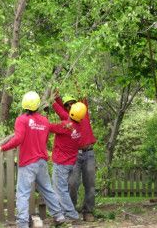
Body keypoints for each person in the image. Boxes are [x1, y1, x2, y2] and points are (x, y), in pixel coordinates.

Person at [0, 91, 65, 228]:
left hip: (27, 162)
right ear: (37, 105)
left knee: (23, 193)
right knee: (47, 190)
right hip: (42, 161)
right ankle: (59, 216)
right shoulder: (45, 121)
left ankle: (22, 223)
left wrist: (2, 148)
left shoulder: (22, 120)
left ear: (24, 104)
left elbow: (18, 139)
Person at [52, 92, 97, 222]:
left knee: (90, 183)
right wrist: (55, 96)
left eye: (73, 103)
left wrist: (76, 76)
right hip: (75, 154)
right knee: (72, 183)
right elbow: (57, 104)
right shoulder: (67, 119)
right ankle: (70, 212)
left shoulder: (84, 114)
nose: (71, 106)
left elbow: (82, 91)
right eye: (68, 105)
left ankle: (88, 211)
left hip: (89, 152)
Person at [49, 102, 87, 222]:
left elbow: (49, 127)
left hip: (61, 163)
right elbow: (62, 114)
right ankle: (65, 213)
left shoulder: (65, 126)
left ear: (71, 111)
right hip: (70, 163)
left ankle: (71, 214)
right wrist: (53, 103)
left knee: (60, 190)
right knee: (62, 189)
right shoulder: (78, 127)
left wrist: (38, 119)